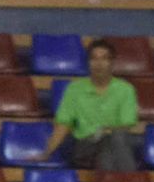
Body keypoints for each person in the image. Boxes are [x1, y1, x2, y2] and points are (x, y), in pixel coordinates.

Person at [45, 39, 140, 174]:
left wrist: (105, 130)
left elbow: (126, 125)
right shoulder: (74, 89)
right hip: (83, 147)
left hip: (112, 145)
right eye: (94, 59)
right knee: (113, 140)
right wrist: (46, 153)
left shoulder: (125, 89)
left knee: (108, 150)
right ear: (88, 63)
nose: (99, 64)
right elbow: (62, 125)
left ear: (112, 62)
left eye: (104, 59)